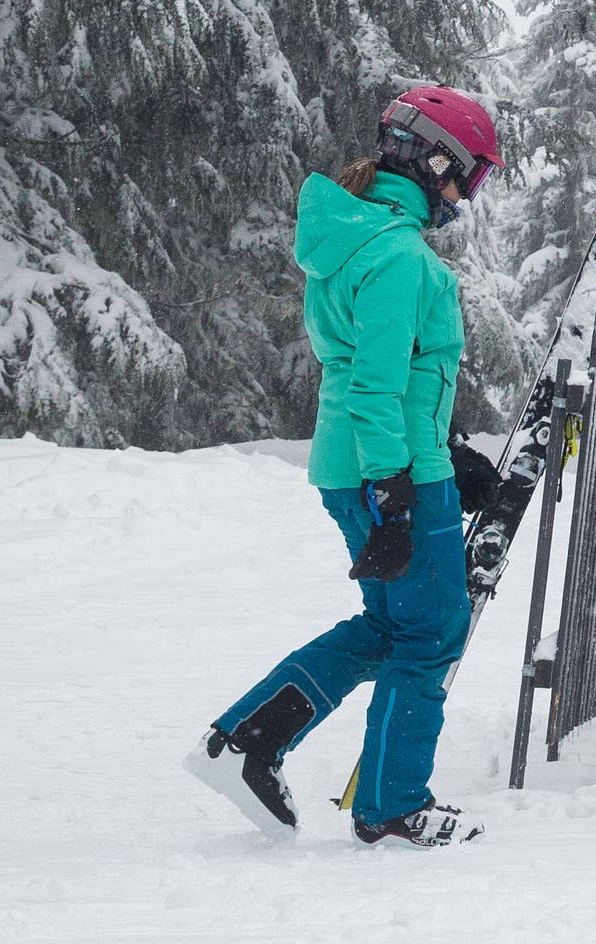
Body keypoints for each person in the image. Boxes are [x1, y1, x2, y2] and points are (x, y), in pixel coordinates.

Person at [187, 86, 502, 848]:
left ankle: (249, 739)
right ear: (433, 160)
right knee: (431, 635)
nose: (465, 195)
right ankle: (391, 803)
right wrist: (397, 494)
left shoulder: (358, 238)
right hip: (384, 471)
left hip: (361, 462)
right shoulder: (397, 257)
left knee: (392, 628)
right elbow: (377, 383)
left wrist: (445, 453)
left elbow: (390, 371)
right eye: (468, 176)